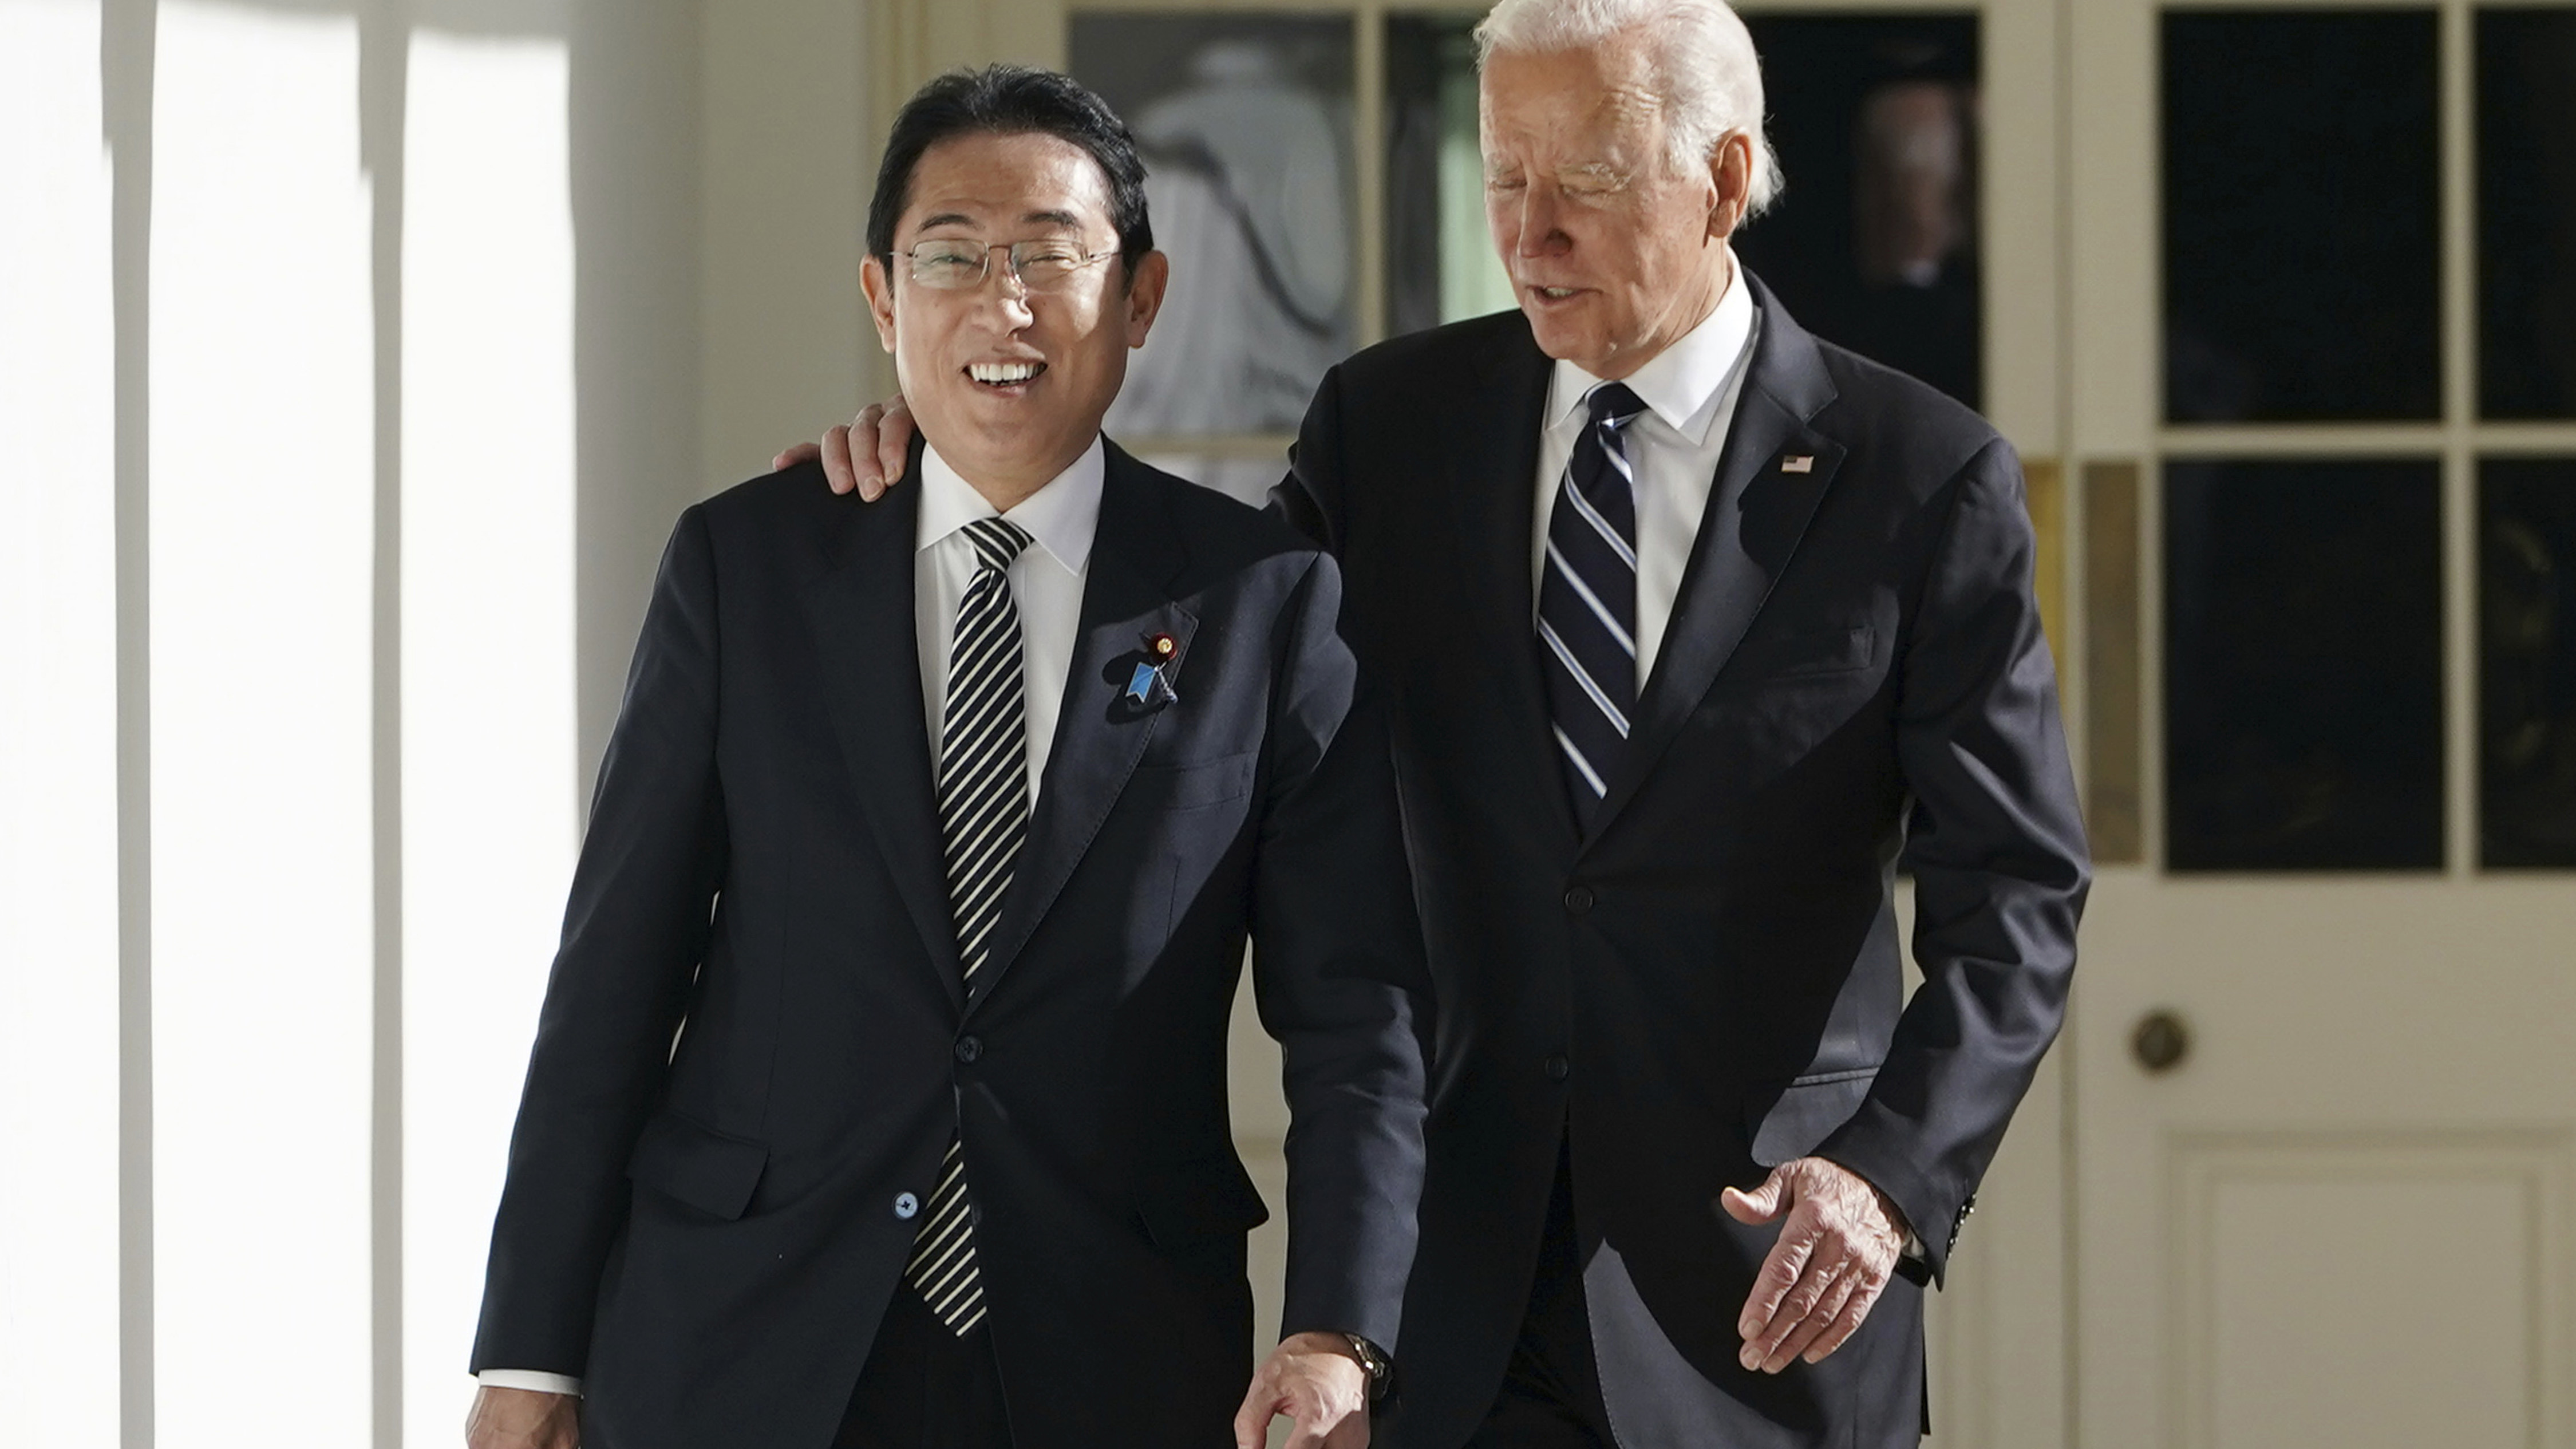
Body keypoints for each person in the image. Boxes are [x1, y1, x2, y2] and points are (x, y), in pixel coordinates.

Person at [789, 0, 2089, 1443]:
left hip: (1763, 1293)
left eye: (1585, 179)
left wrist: (1887, 1175)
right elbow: (1191, 636)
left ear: (1724, 181)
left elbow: (2018, 893)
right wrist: (958, 473)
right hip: (1454, 1298)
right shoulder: (1391, 426)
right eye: (1504, 177)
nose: (1530, 235)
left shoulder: (1918, 476)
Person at [467, 65, 1429, 1449]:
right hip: (746, 1342)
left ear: (1142, 297)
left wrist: (1337, 1331)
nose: (1003, 305)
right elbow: (616, 974)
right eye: (952, 256)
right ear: (883, 298)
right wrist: (532, 1350)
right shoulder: (747, 569)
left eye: (1051, 254)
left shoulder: (1263, 603)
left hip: (1114, 1354)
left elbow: (1357, 1019)